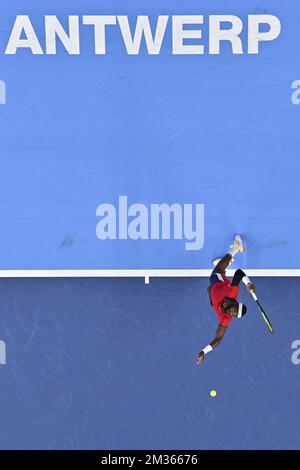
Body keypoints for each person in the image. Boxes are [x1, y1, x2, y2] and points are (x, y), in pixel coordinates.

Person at [197, 235, 255, 365]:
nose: (229, 313)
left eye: (232, 314)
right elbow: (239, 273)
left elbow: (218, 339)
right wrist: (248, 283)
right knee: (217, 270)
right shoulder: (232, 291)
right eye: (232, 310)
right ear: (234, 303)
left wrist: (203, 351)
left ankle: (223, 262)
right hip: (219, 282)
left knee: (208, 290)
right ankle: (236, 248)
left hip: (213, 296)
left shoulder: (225, 319)